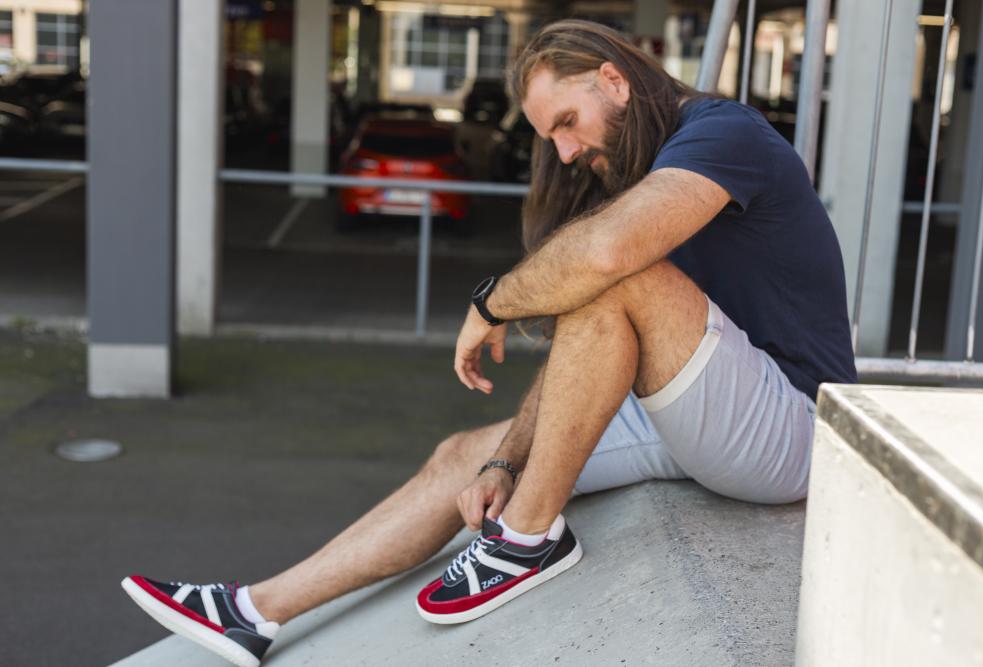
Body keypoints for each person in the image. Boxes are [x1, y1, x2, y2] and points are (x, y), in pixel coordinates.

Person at [120, 19, 857, 667]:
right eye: (551, 137)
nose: (565, 152)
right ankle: (254, 610)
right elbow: (589, 342)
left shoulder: (724, 134)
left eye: (568, 122)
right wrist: (508, 456)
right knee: (460, 456)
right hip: (703, 403)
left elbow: (607, 262)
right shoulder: (640, 162)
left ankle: (527, 538)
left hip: (792, 424)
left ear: (614, 80)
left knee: (620, 272)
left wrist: (491, 303)